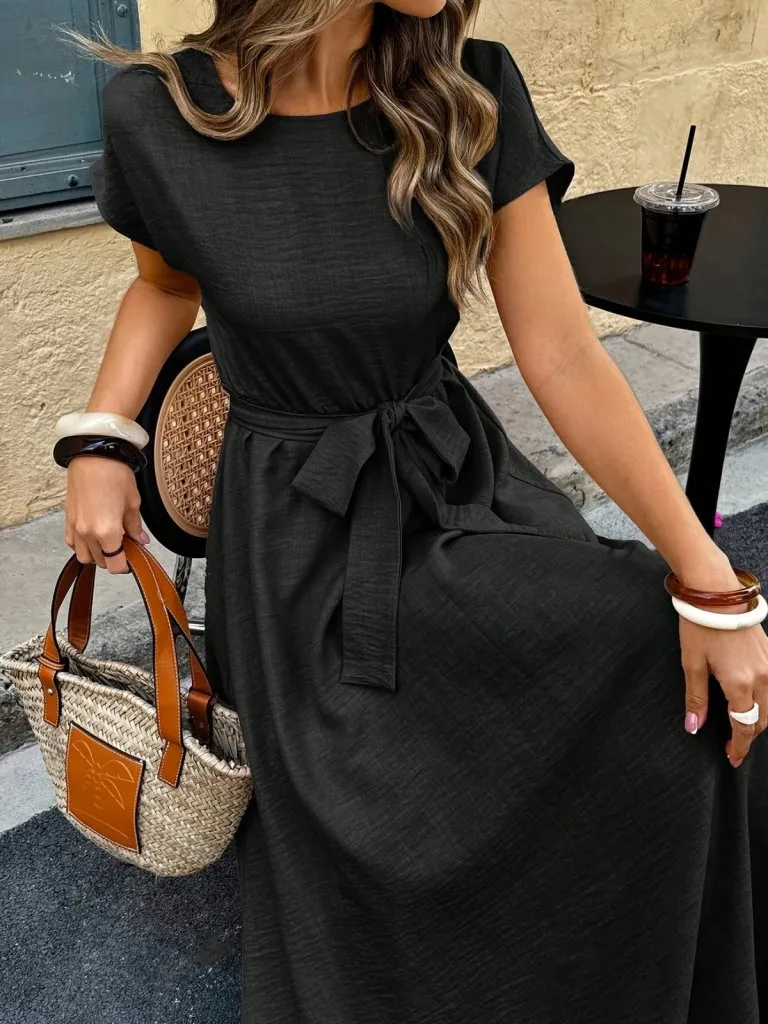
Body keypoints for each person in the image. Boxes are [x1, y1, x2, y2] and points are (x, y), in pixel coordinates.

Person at [57, 1, 768, 1021]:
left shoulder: (469, 90)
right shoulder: (160, 114)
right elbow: (166, 288)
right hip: (296, 542)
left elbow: (563, 353)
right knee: (387, 797)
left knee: (674, 657)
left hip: (454, 476)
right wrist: (101, 436)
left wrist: (709, 581)